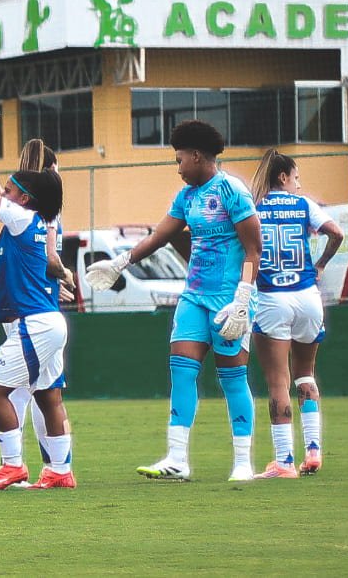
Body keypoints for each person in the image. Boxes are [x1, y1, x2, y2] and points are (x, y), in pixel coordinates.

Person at [86, 119, 263, 482]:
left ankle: (243, 462)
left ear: (197, 156)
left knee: (232, 378)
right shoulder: (187, 197)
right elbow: (159, 237)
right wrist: (120, 263)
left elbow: (254, 250)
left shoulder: (233, 191)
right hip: (194, 297)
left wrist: (243, 299)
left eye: (180, 159)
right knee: (181, 371)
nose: (178, 167)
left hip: (231, 301)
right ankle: (177, 458)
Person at [0, 121, 77, 490]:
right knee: (46, 395)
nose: (1, 192)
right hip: (47, 321)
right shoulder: (29, 217)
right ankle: (59, 470)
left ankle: (13, 465)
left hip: (34, 323)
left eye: (8, 190)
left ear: (22, 198)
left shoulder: (21, 218)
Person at [247, 150, 344, 479]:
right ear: (283, 177)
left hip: (273, 298)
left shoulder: (254, 208)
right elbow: (337, 233)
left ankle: (285, 461)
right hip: (307, 296)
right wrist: (319, 265)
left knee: (278, 382)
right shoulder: (304, 207)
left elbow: (246, 251)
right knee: (306, 375)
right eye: (296, 178)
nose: (299, 185)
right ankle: (313, 451)